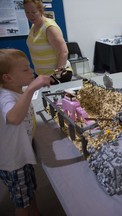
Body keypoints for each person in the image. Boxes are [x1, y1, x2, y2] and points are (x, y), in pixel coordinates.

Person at [0, 48, 51, 216]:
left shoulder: (16, 90)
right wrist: (30, 89)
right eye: (25, 69)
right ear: (7, 78)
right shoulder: (5, 97)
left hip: (23, 154)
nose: (31, 71)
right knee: (21, 203)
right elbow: (14, 118)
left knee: (28, 194)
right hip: (14, 161)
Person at [24, 0, 69, 78]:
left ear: (41, 10)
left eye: (34, 12)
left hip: (54, 75)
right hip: (41, 74)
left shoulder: (50, 28)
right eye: (27, 12)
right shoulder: (34, 26)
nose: (30, 16)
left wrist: (56, 75)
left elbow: (63, 52)